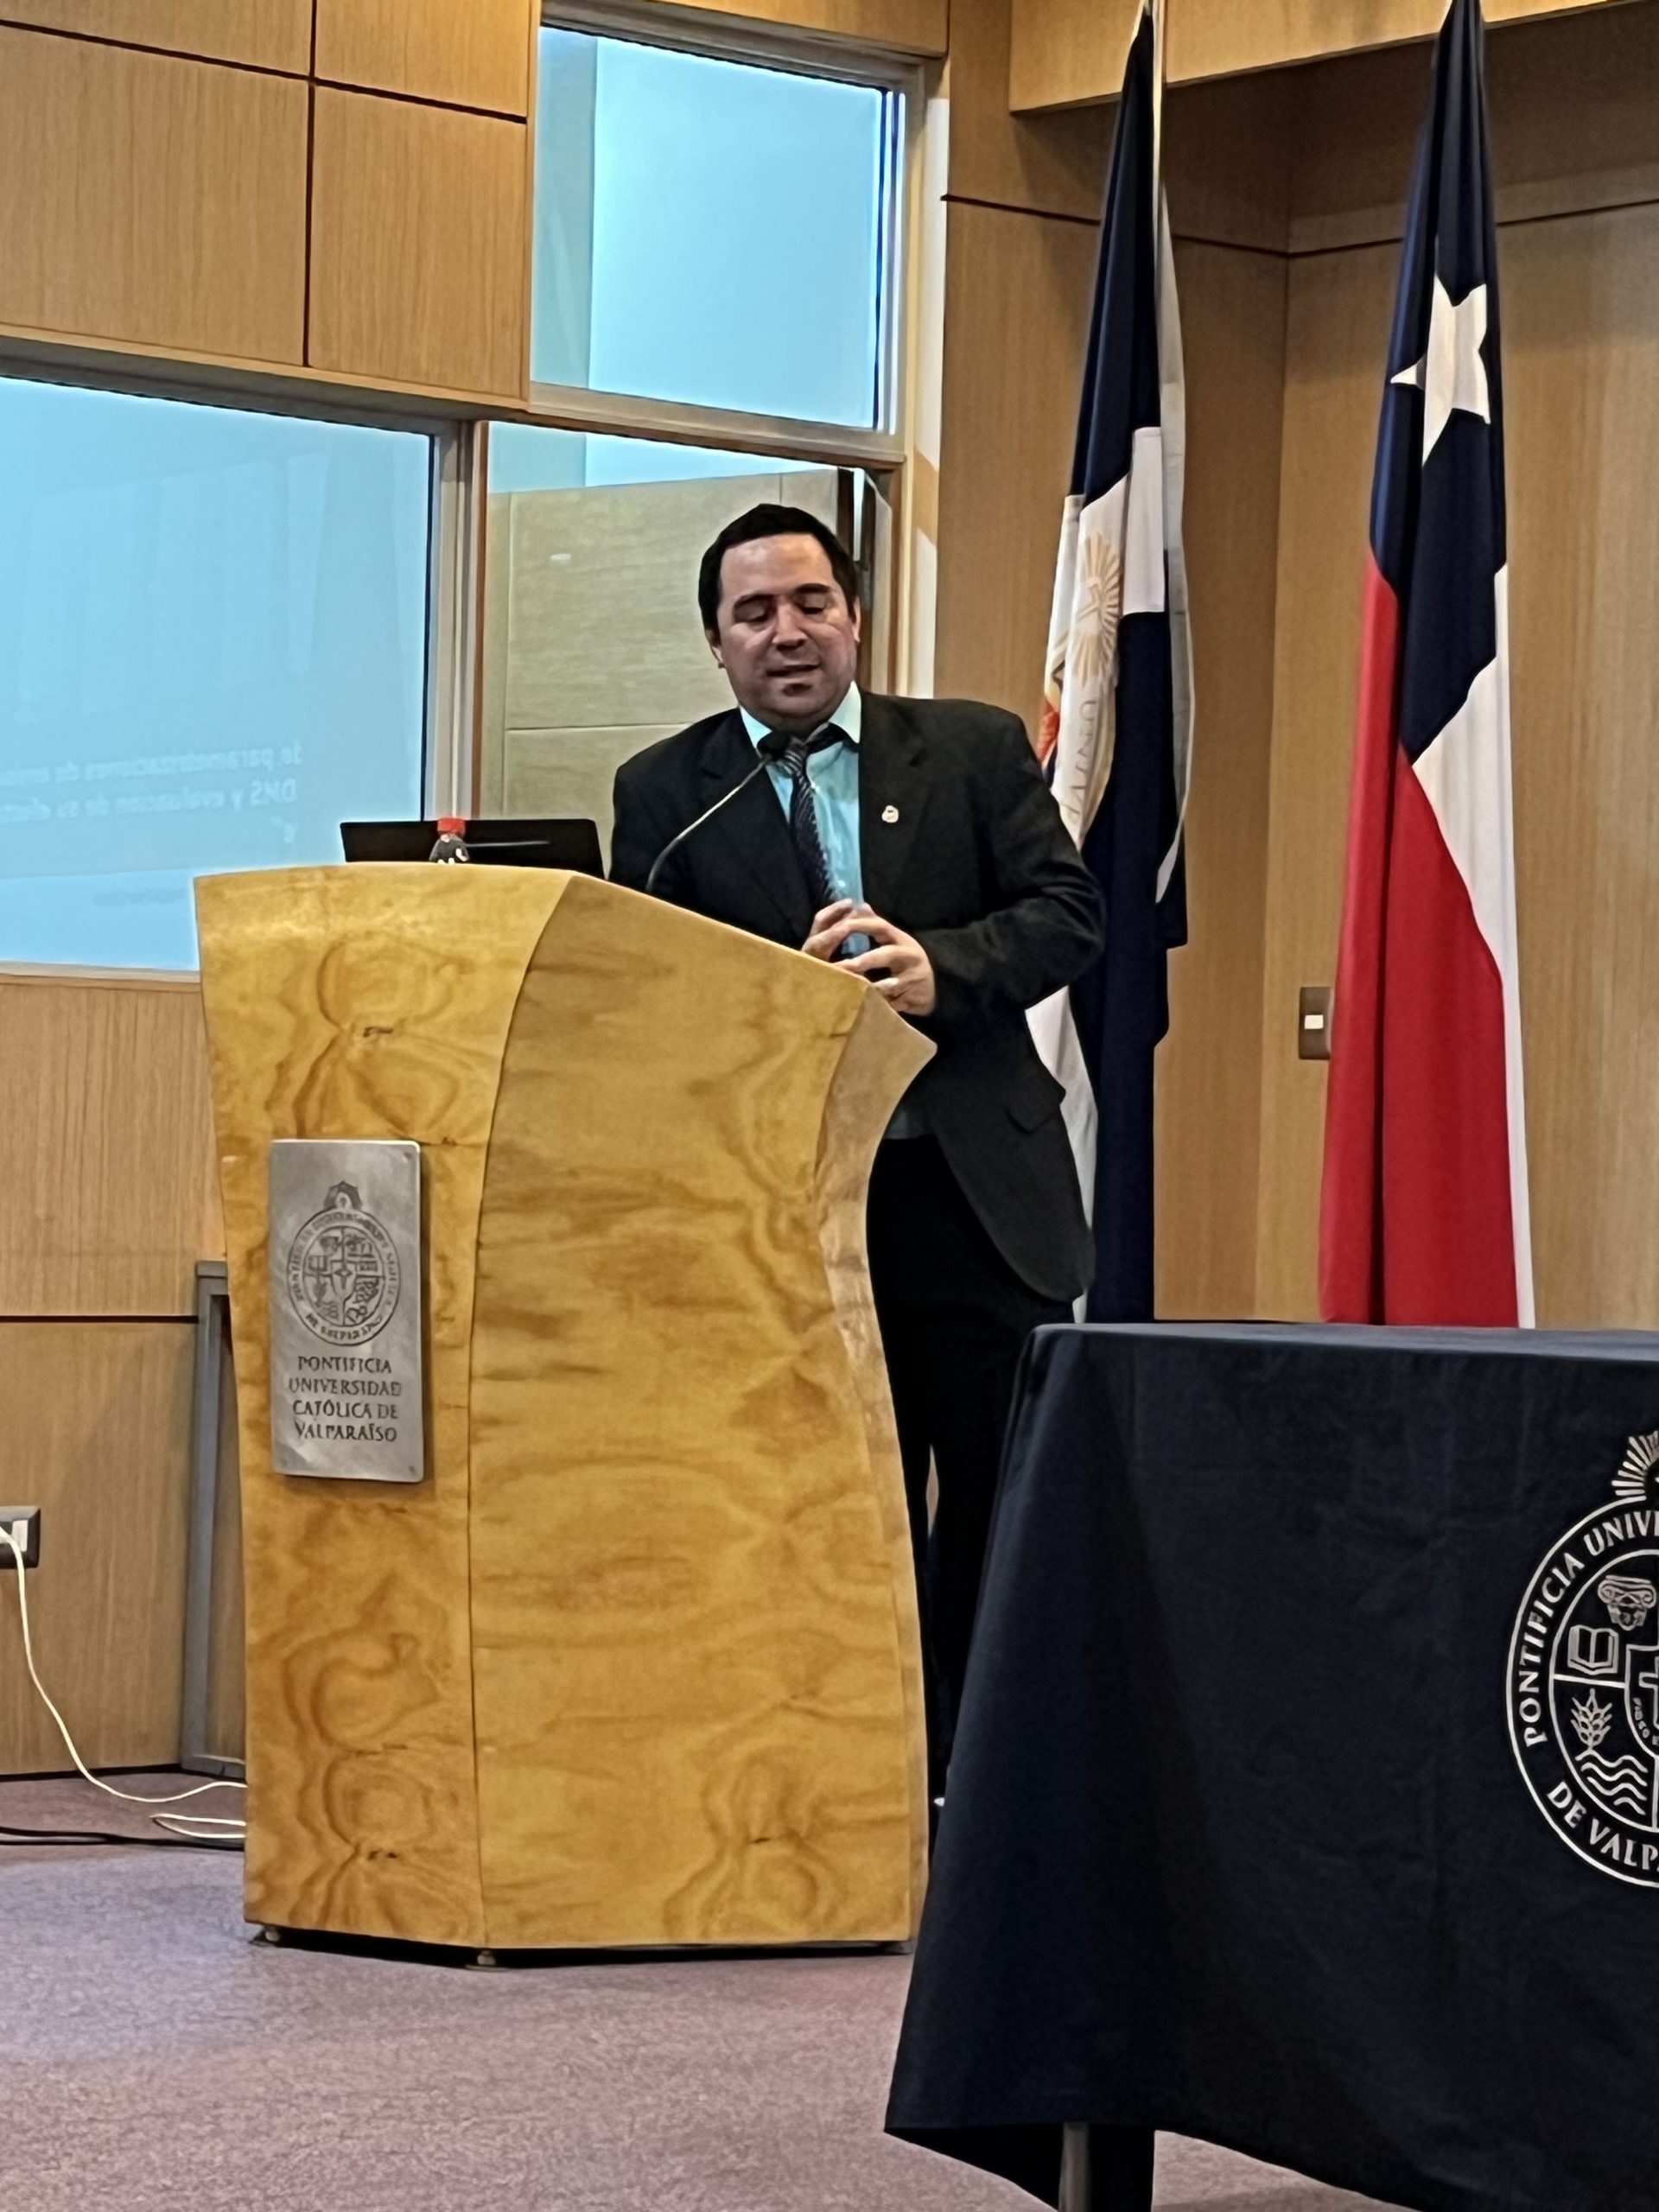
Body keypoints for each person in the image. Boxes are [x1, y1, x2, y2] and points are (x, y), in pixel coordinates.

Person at [610, 503, 1103, 1796]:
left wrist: (941, 967)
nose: (788, 633)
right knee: (835, 1510)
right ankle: (862, 1787)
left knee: (995, 1503)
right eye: (754, 613)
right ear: (716, 643)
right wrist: (780, 998)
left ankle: (987, 1785)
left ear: (856, 618)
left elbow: (1069, 915)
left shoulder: (972, 749)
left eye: (810, 603)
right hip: (794, 1213)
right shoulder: (666, 793)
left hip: (973, 1200)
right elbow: (653, 999)